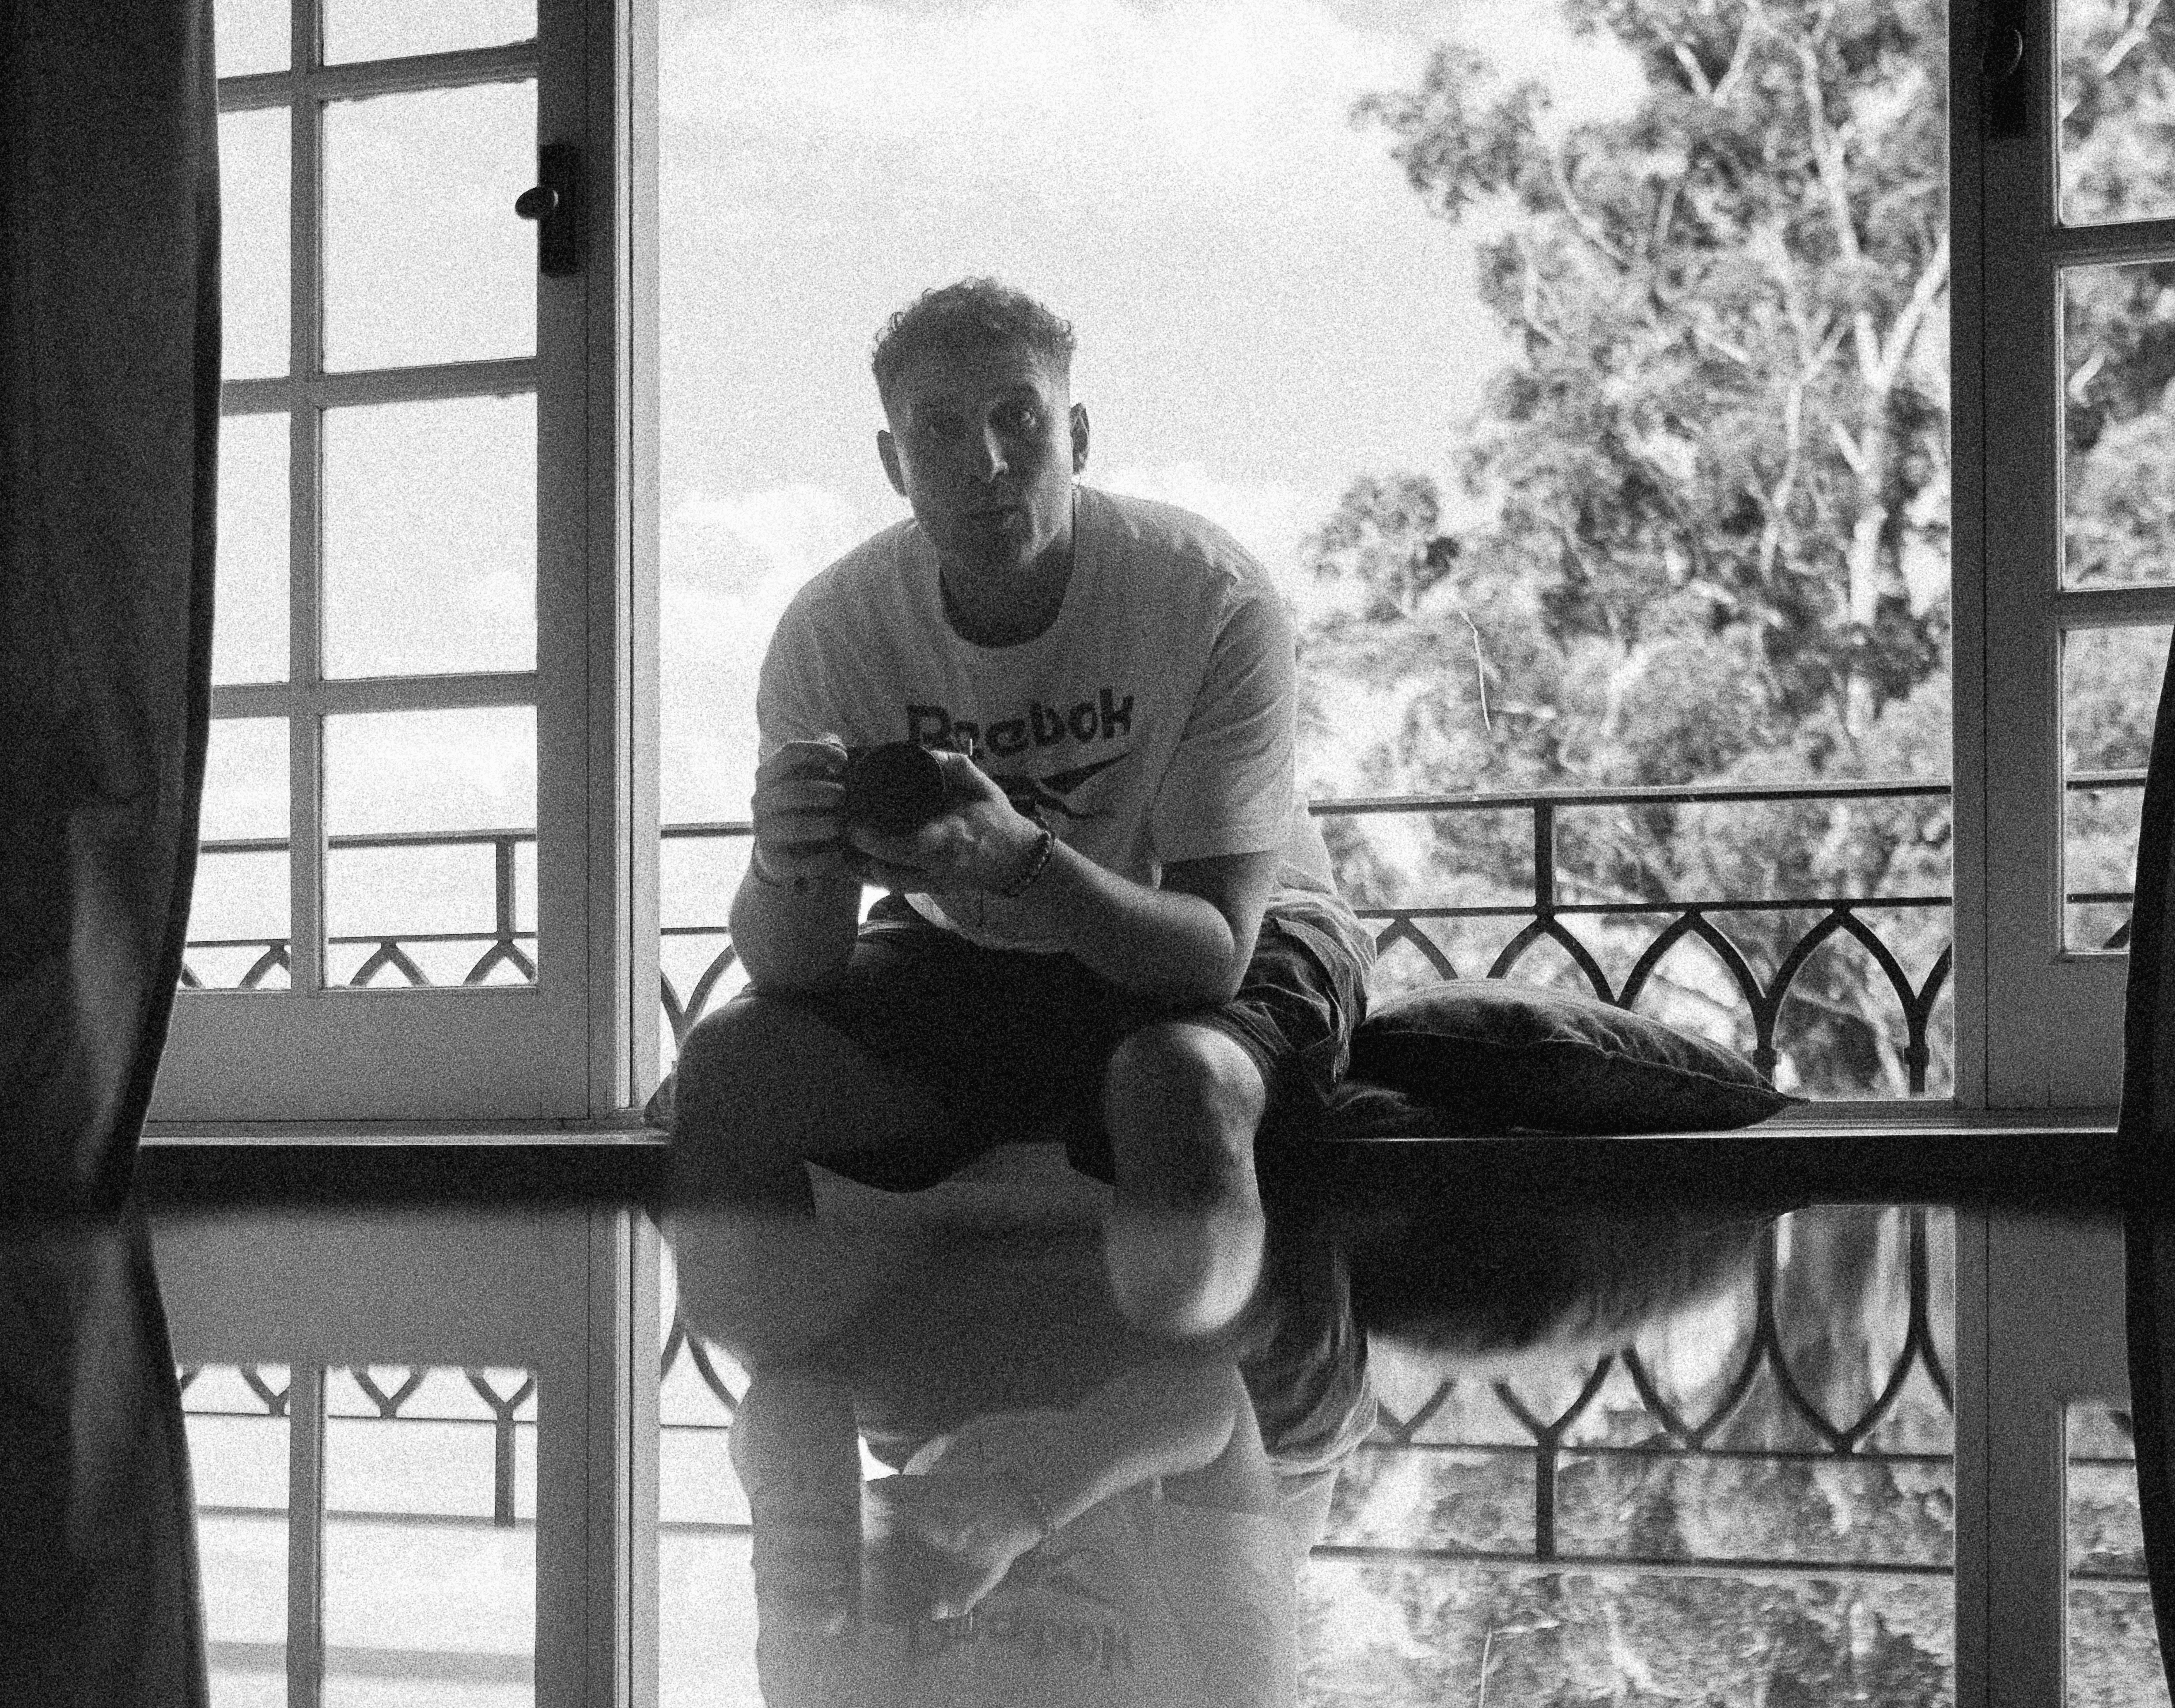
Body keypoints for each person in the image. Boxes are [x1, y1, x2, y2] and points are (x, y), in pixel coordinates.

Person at [671, 277, 1373, 1338]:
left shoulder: (1206, 596)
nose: (985, 463)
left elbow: (1210, 955)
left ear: (1077, 436)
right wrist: (786, 861)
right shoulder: (833, 630)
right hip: (974, 941)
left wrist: (1018, 859)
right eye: (940, 429)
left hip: (1229, 924)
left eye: (1018, 418)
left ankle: (1187, 1415)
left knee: (1173, 1082)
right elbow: (795, 967)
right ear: (893, 461)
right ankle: (792, 1454)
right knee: (729, 1070)